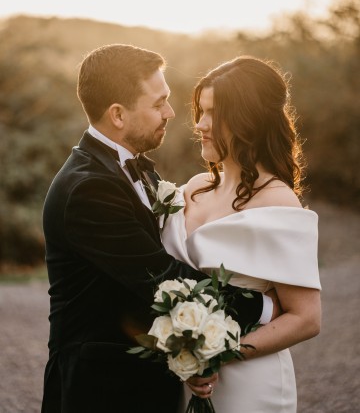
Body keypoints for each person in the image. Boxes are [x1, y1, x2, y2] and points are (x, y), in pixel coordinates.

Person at [41, 44, 277, 413]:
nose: (170, 112)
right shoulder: (88, 188)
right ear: (117, 114)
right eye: (158, 103)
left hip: (146, 383)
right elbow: (162, 278)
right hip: (101, 389)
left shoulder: (140, 168)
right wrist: (265, 307)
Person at [162, 55, 321, 412]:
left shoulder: (277, 201)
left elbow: (306, 318)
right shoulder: (194, 188)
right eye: (199, 111)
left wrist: (216, 355)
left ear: (248, 120)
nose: (200, 124)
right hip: (185, 379)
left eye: (212, 113)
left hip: (250, 382)